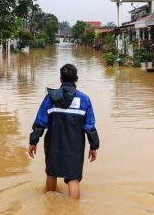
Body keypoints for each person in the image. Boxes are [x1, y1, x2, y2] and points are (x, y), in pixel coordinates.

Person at [28, 63, 100, 199]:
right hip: (75, 146)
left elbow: (40, 122)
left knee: (51, 173)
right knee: (73, 179)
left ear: (60, 79)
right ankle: (73, 210)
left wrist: (33, 141)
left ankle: (50, 207)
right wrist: (93, 145)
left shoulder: (50, 98)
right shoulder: (84, 100)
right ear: (76, 79)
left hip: (54, 145)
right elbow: (89, 126)